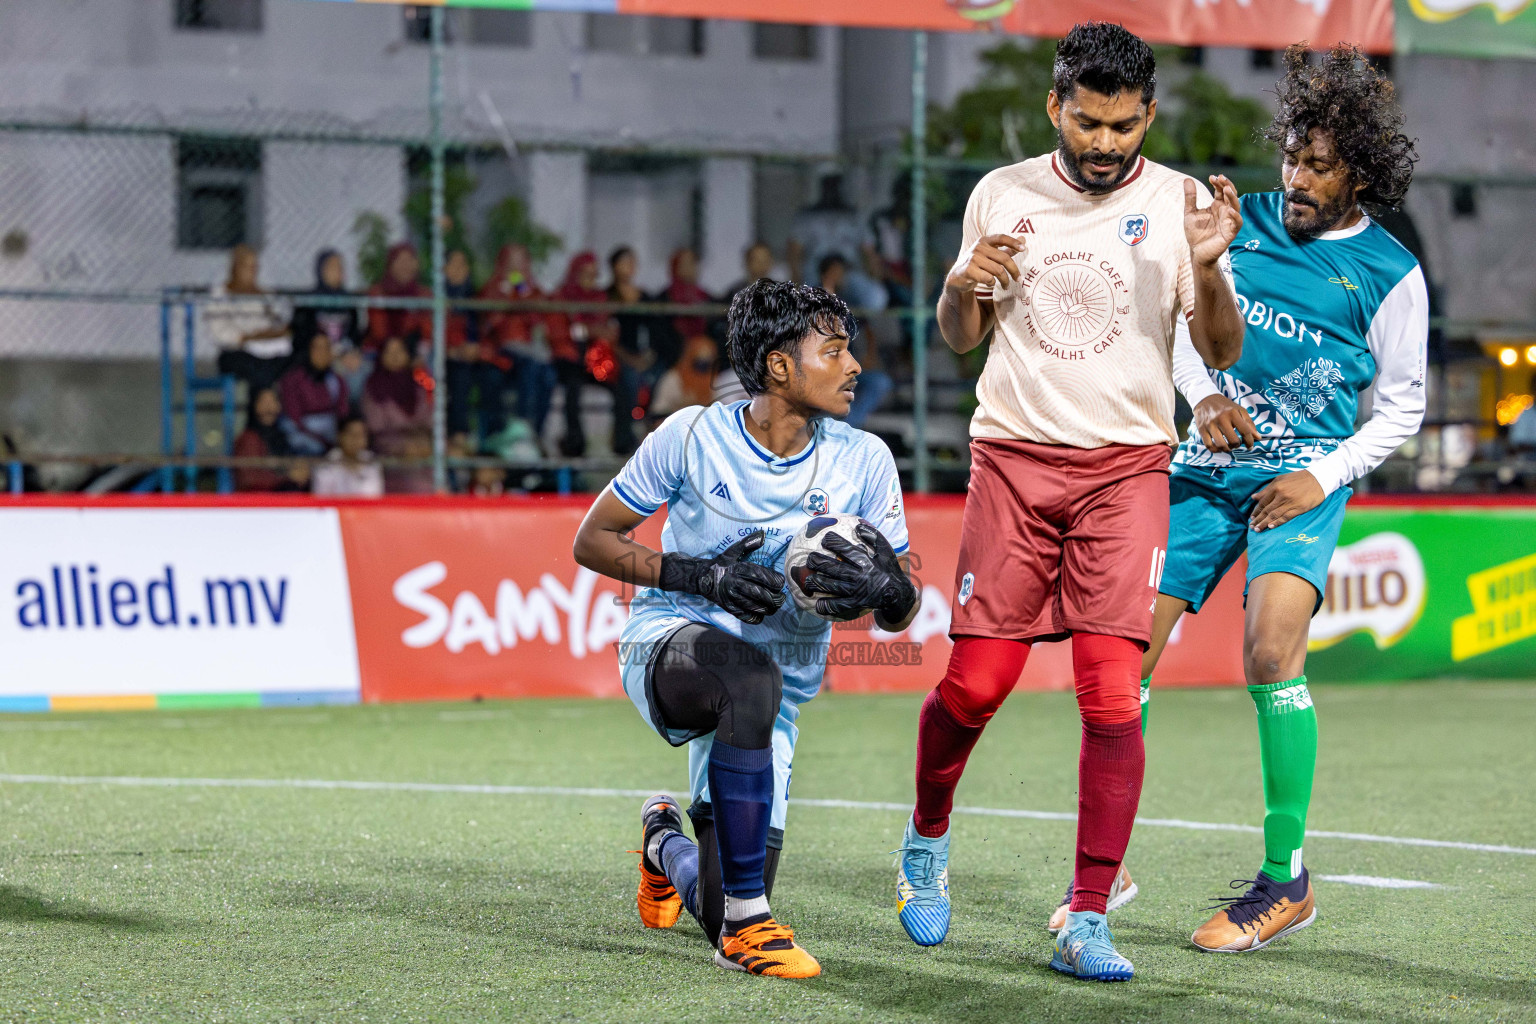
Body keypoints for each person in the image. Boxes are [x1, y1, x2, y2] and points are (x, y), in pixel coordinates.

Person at [893, 23, 1244, 982]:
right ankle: (925, 843)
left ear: (1148, 116)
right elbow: (961, 335)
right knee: (976, 687)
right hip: (1011, 461)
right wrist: (962, 285)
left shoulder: (1178, 203)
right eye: (1088, 123)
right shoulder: (1001, 193)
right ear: (1057, 108)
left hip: (1127, 471)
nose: (1104, 144)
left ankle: (1087, 915)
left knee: (1111, 696)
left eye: (1123, 126)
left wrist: (1210, 267)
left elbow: (1219, 352)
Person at [1082, 44, 1425, 954]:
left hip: (1296, 483)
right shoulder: (1242, 224)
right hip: (1201, 467)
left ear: (1361, 173)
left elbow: (1403, 407)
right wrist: (1206, 398)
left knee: (1272, 656)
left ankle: (1286, 881)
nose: (1297, 177)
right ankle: (1103, 873)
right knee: (1124, 662)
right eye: (1292, 157)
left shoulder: (1391, 273)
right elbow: (1187, 330)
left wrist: (1324, 474)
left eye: (1320, 165)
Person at [572, 279, 918, 978]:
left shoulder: (865, 461)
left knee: (715, 893)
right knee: (745, 679)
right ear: (780, 366)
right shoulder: (693, 436)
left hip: (773, 702)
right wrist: (703, 578)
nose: (855, 367)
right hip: (671, 642)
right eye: (836, 350)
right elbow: (594, 540)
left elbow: (901, 612)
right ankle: (749, 929)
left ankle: (662, 842)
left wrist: (890, 588)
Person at [550, 252, 628, 457]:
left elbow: (610, 328)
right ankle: (575, 442)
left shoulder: (599, 299)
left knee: (621, 387)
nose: (590, 280)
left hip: (596, 360)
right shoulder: (562, 297)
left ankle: (622, 442)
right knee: (573, 389)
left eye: (594, 275)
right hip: (570, 357)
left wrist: (606, 333)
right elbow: (563, 331)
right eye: (585, 274)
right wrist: (590, 330)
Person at [481, 244, 555, 447]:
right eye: (512, 262)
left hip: (529, 350)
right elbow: (490, 323)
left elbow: (538, 317)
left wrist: (522, 295)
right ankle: (521, 425)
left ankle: (536, 431)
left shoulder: (526, 288)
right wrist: (510, 301)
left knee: (548, 376)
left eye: (521, 262)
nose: (517, 268)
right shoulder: (494, 287)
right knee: (529, 368)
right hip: (501, 351)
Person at [818, 254, 893, 429]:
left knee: (880, 382)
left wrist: (869, 356)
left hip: (848, 368)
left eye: (841, 272)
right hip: (822, 370)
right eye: (834, 272)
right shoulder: (812, 297)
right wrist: (827, 291)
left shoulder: (848, 297)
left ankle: (850, 426)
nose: (839, 276)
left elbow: (867, 329)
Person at [207, 245, 292, 392]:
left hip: (269, 349)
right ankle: (261, 409)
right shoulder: (221, 294)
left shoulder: (265, 294)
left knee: (296, 363)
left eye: (254, 266)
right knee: (259, 371)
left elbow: (278, 322)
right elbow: (219, 332)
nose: (252, 271)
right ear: (235, 268)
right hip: (238, 350)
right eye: (246, 266)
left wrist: (276, 331)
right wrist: (249, 337)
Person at [443, 249, 507, 443]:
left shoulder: (477, 297)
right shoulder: (436, 297)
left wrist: (478, 348)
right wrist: (454, 350)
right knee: (460, 376)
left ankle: (493, 437)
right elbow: (431, 333)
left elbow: (525, 296)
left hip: (477, 356)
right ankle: (458, 435)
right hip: (448, 357)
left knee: (492, 376)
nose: (459, 270)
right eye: (453, 265)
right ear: (443, 269)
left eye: (463, 265)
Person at [363, 335, 434, 494]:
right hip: (389, 454)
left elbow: (430, 417)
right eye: (389, 352)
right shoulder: (373, 385)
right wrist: (403, 447)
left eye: (399, 351)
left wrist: (422, 443)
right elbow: (376, 428)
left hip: (421, 449)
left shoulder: (419, 382)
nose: (395, 357)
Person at [289, 249, 365, 399]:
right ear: (320, 270)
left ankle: (351, 419)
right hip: (316, 357)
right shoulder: (307, 302)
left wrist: (351, 352)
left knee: (360, 372)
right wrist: (326, 354)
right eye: (332, 267)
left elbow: (355, 334)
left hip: (343, 355)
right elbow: (301, 336)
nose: (338, 271)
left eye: (340, 267)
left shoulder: (349, 302)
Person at [279, 332, 352, 456]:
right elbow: (294, 418)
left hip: (331, 436)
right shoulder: (293, 379)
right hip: (302, 437)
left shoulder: (336, 380)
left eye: (326, 348)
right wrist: (322, 442)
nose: (322, 353)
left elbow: (342, 413)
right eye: (317, 348)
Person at [607, 246, 654, 436]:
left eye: (632, 262)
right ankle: (626, 436)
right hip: (617, 356)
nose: (629, 267)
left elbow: (654, 330)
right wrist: (630, 358)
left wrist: (649, 356)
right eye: (623, 262)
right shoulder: (607, 297)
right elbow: (609, 335)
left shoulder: (645, 297)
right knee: (629, 379)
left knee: (657, 378)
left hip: (644, 355)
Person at [233, 387, 310, 493]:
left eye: (273, 401)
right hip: (258, 503)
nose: (268, 407)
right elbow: (250, 479)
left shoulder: (283, 437)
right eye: (264, 401)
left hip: (284, 499)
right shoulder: (249, 439)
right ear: (255, 406)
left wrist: (301, 471)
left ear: (279, 406)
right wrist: (288, 477)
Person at [365, 242, 432, 358]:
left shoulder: (425, 294)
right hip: (382, 352)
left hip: (414, 353)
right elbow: (379, 332)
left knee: (428, 367)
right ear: (391, 264)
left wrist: (416, 354)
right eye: (400, 260)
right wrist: (395, 353)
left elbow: (427, 332)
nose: (405, 265)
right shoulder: (378, 292)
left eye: (409, 260)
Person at [312, 416, 384, 498]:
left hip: (365, 510)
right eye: (352, 434)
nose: (356, 440)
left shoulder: (372, 462)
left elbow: (376, 497)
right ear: (340, 436)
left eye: (361, 435)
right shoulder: (326, 465)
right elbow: (321, 499)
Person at [649, 334, 718, 419]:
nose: (703, 362)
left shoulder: (716, 380)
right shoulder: (673, 378)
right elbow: (658, 411)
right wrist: (682, 407)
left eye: (708, 359)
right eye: (699, 358)